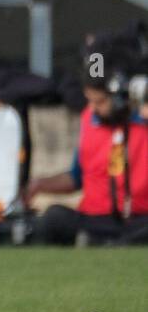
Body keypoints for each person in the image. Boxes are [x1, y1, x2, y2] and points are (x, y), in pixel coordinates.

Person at [24, 71, 148, 245]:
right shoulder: (89, 121)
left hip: (138, 220)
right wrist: (38, 185)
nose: (93, 108)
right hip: (93, 219)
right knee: (53, 218)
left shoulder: (143, 121)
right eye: (90, 100)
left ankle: (115, 244)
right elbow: (76, 178)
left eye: (100, 102)